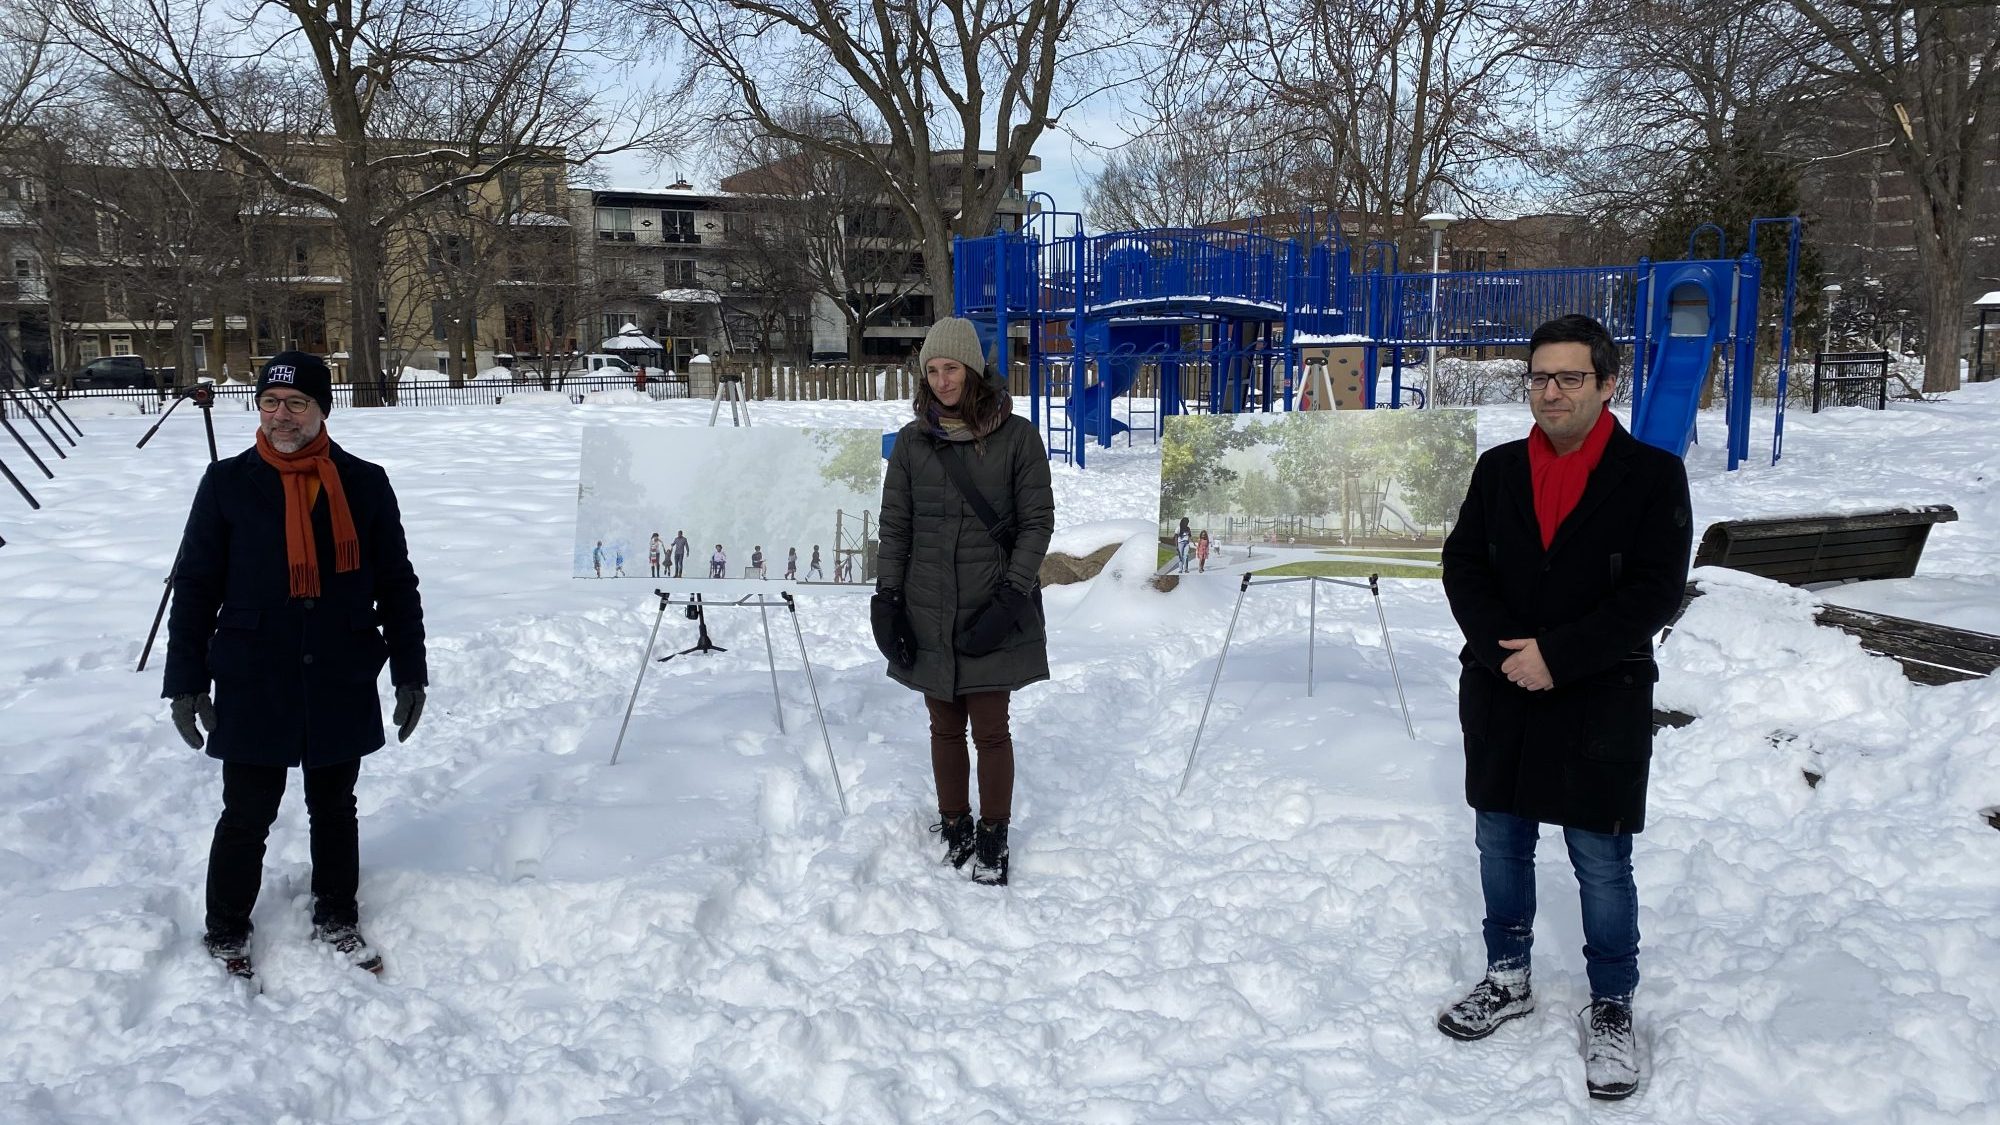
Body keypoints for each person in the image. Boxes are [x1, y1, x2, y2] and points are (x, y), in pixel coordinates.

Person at [1436, 314, 1692, 1101]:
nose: (1550, 392)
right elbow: (1462, 564)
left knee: (1601, 857)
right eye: (1540, 376)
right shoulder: (1499, 468)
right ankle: (1508, 973)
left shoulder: (1652, 475)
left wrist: (1561, 654)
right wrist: (1503, 652)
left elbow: (1654, 588)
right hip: (1502, 687)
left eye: (1570, 377)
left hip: (1599, 693)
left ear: (1607, 383)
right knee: (1501, 839)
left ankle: (1611, 1002)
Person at [162, 351, 427, 982]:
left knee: (335, 805)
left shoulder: (364, 482)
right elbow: (195, 585)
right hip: (255, 671)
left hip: (339, 667)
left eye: (296, 403)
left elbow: (396, 581)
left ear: (321, 409)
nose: (281, 415)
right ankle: (227, 926)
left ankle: (336, 916)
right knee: (247, 809)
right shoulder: (227, 483)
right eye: (270, 403)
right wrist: (186, 681)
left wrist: (410, 668)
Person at [876, 317, 1053, 887]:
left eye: (950, 368)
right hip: (928, 603)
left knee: (990, 728)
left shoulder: (1018, 438)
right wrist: (888, 598)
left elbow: (1037, 524)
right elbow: (895, 527)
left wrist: (1010, 597)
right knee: (943, 724)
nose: (942, 380)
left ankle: (994, 832)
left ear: (973, 370)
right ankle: (955, 821)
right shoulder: (912, 442)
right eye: (932, 370)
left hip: (990, 602)